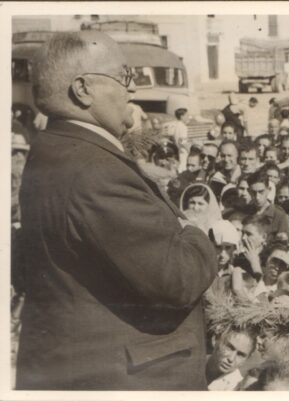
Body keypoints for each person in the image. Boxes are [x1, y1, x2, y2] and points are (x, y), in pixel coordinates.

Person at [16, 31, 217, 390]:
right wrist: (197, 229)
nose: (133, 90)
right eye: (125, 77)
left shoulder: (53, 149)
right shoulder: (95, 170)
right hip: (131, 378)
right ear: (83, 90)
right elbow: (178, 278)